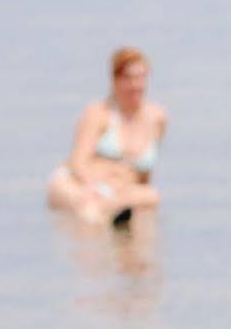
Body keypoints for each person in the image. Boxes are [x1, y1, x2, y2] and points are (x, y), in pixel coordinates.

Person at [46, 47, 168, 226]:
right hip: (80, 183)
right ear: (114, 80)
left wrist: (125, 192)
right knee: (90, 212)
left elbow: (145, 176)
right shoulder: (99, 113)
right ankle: (94, 246)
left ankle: (124, 241)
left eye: (141, 78)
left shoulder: (157, 117)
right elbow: (78, 162)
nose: (136, 85)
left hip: (120, 191)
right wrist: (93, 187)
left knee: (151, 197)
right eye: (128, 78)